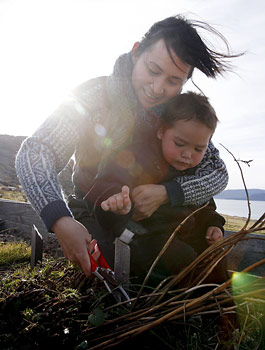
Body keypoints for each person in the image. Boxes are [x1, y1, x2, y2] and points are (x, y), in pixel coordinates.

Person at [15, 15, 241, 277]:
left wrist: (167, 193)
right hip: (95, 208)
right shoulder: (91, 97)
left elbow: (217, 172)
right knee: (120, 279)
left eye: (173, 81)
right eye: (153, 70)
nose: (158, 88)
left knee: (194, 267)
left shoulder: (179, 112)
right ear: (136, 53)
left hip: (156, 221)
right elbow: (36, 152)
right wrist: (60, 219)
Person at [83, 92, 227, 282]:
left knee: (216, 257)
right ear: (161, 132)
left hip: (183, 235)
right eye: (180, 144)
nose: (187, 155)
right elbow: (107, 184)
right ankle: (183, 306)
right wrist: (115, 201)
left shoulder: (193, 170)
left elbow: (204, 205)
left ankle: (220, 305)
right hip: (146, 239)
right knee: (182, 261)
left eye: (198, 149)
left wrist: (213, 224)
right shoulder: (137, 157)